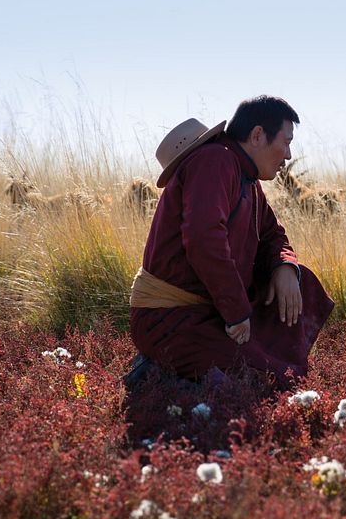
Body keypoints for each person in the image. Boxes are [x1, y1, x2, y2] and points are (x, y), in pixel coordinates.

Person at [127, 95, 334, 388]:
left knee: (303, 282)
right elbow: (204, 240)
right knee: (258, 378)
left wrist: (285, 267)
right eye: (286, 142)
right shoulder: (214, 160)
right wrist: (237, 314)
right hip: (169, 319)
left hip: (209, 311)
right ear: (257, 135)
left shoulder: (246, 178)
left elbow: (273, 235)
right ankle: (154, 374)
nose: (288, 155)